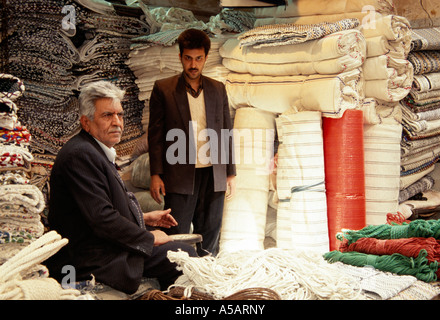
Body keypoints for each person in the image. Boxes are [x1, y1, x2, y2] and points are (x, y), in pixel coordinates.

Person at [44, 81, 197, 295]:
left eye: (120, 115)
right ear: (86, 122)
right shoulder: (80, 155)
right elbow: (101, 218)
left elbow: (98, 206)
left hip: (104, 248)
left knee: (180, 252)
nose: (117, 122)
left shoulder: (94, 151)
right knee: (183, 256)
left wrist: (144, 218)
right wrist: (149, 238)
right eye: (107, 115)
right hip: (92, 259)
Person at [148, 28, 236, 256]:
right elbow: (155, 134)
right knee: (177, 232)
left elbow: (226, 130)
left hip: (213, 172)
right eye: (188, 58)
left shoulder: (218, 89)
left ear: (205, 58)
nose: (193, 65)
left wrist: (230, 173)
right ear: (180, 57)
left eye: (198, 59)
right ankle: (178, 277)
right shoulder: (163, 89)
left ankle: (207, 277)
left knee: (211, 230)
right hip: (179, 172)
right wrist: (155, 174)